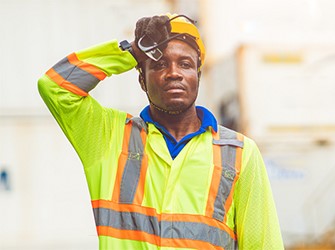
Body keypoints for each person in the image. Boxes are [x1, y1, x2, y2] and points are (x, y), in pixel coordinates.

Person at [38, 13, 284, 250]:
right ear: (142, 80)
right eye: (159, 64)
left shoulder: (239, 153)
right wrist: (132, 52)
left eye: (185, 64)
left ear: (197, 76)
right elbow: (55, 87)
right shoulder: (110, 138)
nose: (174, 73)